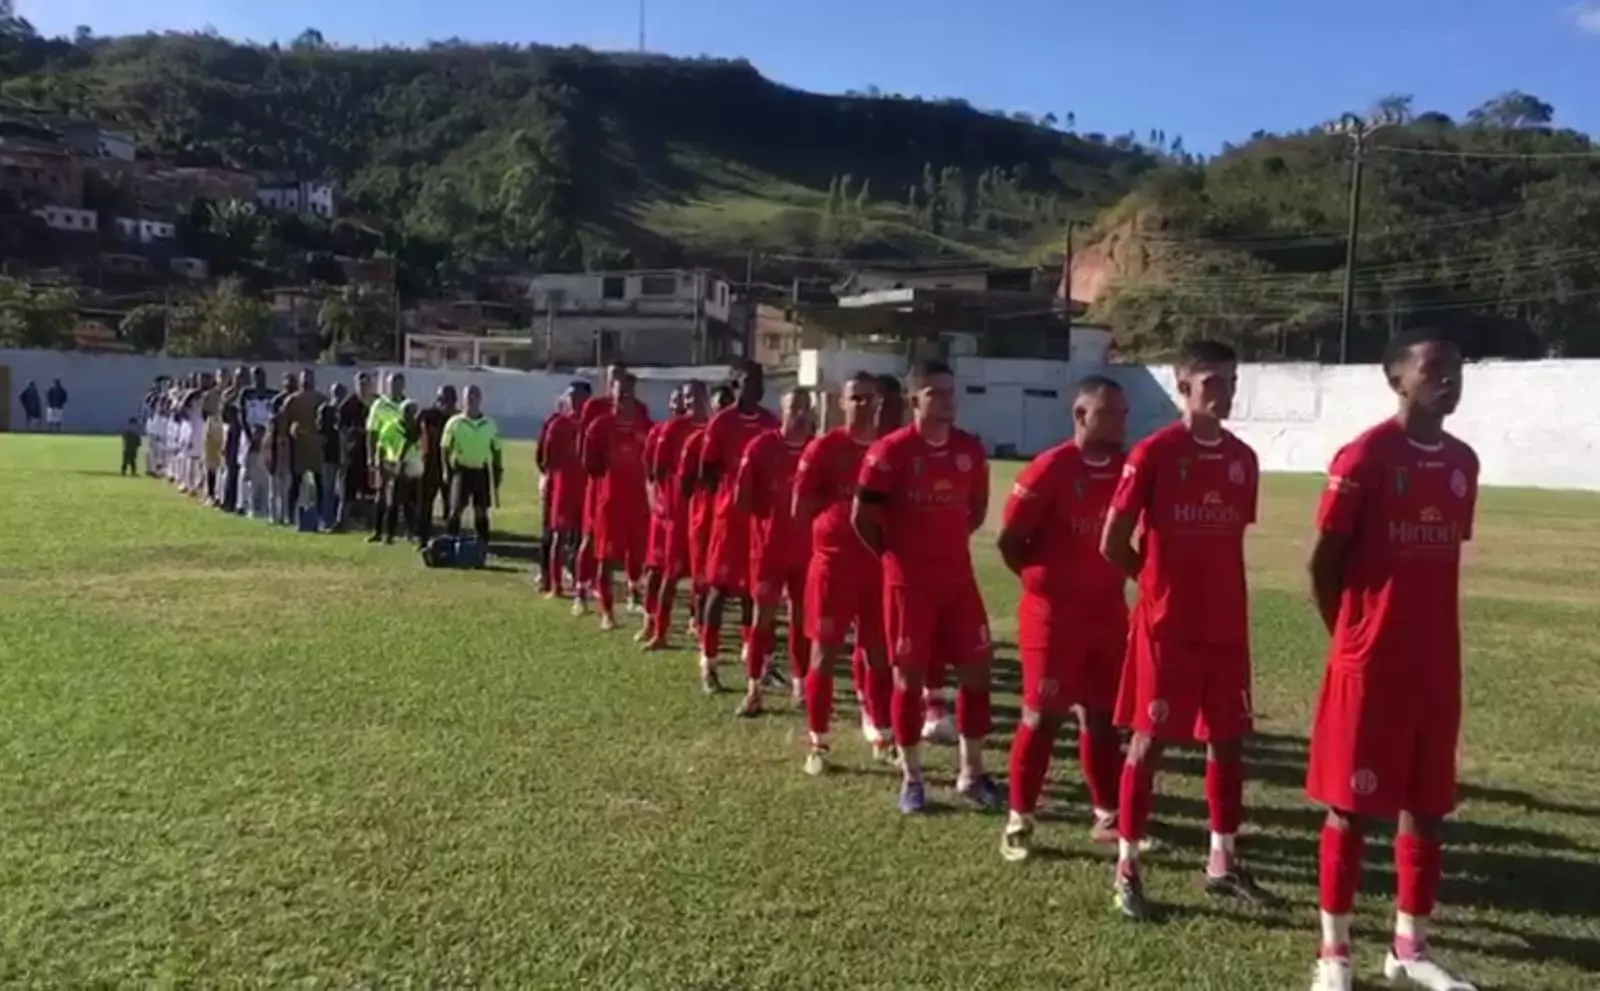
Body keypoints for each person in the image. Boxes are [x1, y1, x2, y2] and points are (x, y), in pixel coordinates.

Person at [1304, 330, 1479, 991]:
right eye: (1435, 368)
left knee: (1426, 803)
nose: (1450, 379)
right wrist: (1350, 638)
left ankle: (1408, 944)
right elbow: (1322, 563)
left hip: (1435, 661)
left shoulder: (1464, 462)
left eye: (1457, 368)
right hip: (1369, 663)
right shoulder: (1365, 455)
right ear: (1398, 379)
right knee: (1350, 805)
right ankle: (1335, 954)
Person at [1099, 338, 1275, 921]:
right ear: (1183, 386)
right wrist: (1153, 587)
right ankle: (1127, 866)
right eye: (1211, 383)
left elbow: (1227, 541)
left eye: (1230, 380)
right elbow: (1111, 542)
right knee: (1149, 744)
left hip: (1226, 625)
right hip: (1166, 628)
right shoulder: (1152, 454)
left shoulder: (1243, 459)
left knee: (1228, 741)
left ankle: (1222, 860)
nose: (1224, 393)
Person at [853, 360, 1000, 815]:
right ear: (916, 400)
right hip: (907, 585)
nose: (947, 401)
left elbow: (975, 510)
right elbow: (862, 519)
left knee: (977, 672)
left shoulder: (969, 451)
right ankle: (912, 777)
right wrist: (897, 558)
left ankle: (971, 773)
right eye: (936, 392)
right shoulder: (890, 453)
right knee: (908, 677)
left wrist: (944, 545)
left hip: (957, 580)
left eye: (951, 392)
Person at [997, 376, 1131, 862]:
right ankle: (1021, 815)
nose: (1120, 422)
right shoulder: (1049, 469)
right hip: (1052, 616)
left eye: (1123, 414)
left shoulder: (1129, 469)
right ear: (1081, 416)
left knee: (1102, 715)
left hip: (1109, 612)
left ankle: (1107, 814)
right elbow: (1011, 542)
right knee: (1043, 716)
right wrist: (1046, 585)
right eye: (1109, 413)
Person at [797, 372, 895, 771]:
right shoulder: (824, 449)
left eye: (869, 398)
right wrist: (830, 535)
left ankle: (883, 736)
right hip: (833, 566)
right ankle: (818, 743)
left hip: (877, 567)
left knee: (879, 654)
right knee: (824, 653)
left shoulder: (891, 450)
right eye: (856, 398)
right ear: (841, 402)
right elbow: (800, 508)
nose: (864, 405)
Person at [696, 361, 780, 693]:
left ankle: (758, 663)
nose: (756, 386)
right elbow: (708, 470)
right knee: (719, 588)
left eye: (760, 381)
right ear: (736, 384)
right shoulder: (723, 423)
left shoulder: (770, 422)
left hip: (760, 522)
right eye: (749, 380)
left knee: (756, 592)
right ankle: (709, 661)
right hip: (729, 520)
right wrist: (731, 496)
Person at [731, 387, 816, 717]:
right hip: (768, 551)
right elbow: (742, 498)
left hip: (807, 552)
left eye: (805, 408)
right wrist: (768, 520)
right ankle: (754, 690)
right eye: (794, 407)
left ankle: (800, 687)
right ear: (781, 411)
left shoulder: (816, 449)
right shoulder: (762, 448)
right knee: (761, 620)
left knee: (801, 620)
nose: (800, 413)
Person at [575, 364, 652, 613]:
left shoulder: (642, 414)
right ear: (608, 383)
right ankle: (581, 590)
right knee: (591, 538)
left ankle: (633, 593)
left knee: (635, 544)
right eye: (614, 380)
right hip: (600, 488)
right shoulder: (596, 411)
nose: (620, 389)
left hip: (634, 494)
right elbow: (585, 450)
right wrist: (598, 476)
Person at [642, 381, 708, 649]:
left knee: (704, 580)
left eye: (694, 396)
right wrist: (663, 505)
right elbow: (656, 473)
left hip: (705, 517)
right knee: (669, 574)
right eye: (687, 397)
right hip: (678, 517)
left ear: (704, 397)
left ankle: (701, 629)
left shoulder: (714, 429)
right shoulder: (672, 430)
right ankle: (660, 630)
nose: (690, 402)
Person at [679, 385, 735, 659]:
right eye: (719, 403)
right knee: (702, 575)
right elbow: (685, 483)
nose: (723, 407)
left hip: (730, 518)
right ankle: (699, 624)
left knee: (727, 579)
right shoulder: (697, 442)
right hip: (703, 516)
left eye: (728, 402)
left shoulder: (741, 440)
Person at [540, 383, 592, 598]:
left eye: (578, 396)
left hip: (586, 487)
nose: (573, 400)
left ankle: (582, 583)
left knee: (584, 538)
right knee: (558, 535)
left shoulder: (592, 425)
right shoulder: (558, 424)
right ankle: (555, 584)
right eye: (571, 396)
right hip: (563, 487)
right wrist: (549, 479)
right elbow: (546, 458)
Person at [443, 383, 502, 546]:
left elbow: (496, 450)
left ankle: (483, 543)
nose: (471, 399)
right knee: (456, 510)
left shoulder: (489, 424)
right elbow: (445, 448)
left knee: (481, 510)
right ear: (463, 399)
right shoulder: (455, 423)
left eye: (475, 396)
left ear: (480, 399)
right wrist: (446, 470)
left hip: (480, 471)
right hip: (461, 471)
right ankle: (449, 542)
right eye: (468, 396)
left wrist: (498, 471)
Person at [371, 400, 424, 545]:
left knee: (411, 503)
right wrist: (379, 462)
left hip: (414, 466)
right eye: (409, 412)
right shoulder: (391, 426)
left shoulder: (418, 428)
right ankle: (388, 535)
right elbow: (381, 445)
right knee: (393, 502)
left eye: (413, 412)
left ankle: (412, 533)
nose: (412, 415)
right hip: (395, 465)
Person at [283, 370, 327, 523]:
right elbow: (284, 424)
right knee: (295, 482)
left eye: (310, 378)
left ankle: (322, 516)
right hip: (298, 447)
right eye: (305, 379)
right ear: (300, 381)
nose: (307, 382)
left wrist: (322, 439)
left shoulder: (321, 399)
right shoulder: (292, 400)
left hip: (316, 448)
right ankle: (290, 514)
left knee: (320, 483)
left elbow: (327, 424)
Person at [416, 384, 459, 542]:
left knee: (451, 504)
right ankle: (422, 537)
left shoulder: (457, 420)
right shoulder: (426, 416)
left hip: (450, 467)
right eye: (444, 401)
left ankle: (450, 537)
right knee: (425, 504)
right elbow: (414, 437)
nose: (447, 405)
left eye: (450, 402)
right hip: (429, 466)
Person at [335, 372, 373, 530]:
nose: (363, 387)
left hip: (371, 454)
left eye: (366, 383)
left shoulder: (376, 404)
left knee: (371, 492)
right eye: (360, 384)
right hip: (352, 454)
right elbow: (340, 428)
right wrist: (356, 432)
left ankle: (373, 525)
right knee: (347, 492)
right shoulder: (347, 405)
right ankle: (341, 522)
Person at [318, 384, 347, 527]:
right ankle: (327, 519)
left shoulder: (346, 410)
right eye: (337, 393)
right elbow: (321, 432)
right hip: (329, 453)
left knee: (341, 489)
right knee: (328, 488)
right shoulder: (325, 409)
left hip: (344, 454)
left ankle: (339, 519)